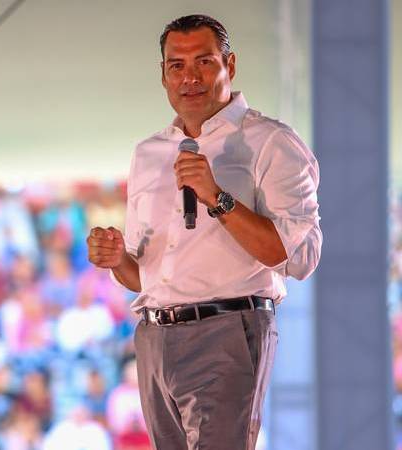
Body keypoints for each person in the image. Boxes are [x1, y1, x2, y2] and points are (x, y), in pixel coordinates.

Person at [86, 14, 321, 450]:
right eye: (177, 65)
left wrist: (217, 198)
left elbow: (297, 258)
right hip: (154, 336)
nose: (189, 77)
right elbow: (145, 277)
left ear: (229, 65)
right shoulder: (149, 153)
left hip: (227, 329)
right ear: (163, 74)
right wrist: (118, 260)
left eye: (204, 62)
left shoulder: (271, 143)